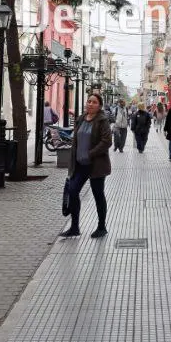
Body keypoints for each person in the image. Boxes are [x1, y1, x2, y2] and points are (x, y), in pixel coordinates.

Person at [62, 93, 112, 238]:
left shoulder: (102, 121)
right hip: (79, 164)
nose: (90, 104)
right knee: (72, 190)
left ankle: (101, 227)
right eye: (89, 101)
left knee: (98, 195)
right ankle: (74, 227)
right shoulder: (81, 119)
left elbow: (107, 141)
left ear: (99, 106)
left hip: (96, 165)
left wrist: (90, 153)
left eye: (94, 102)